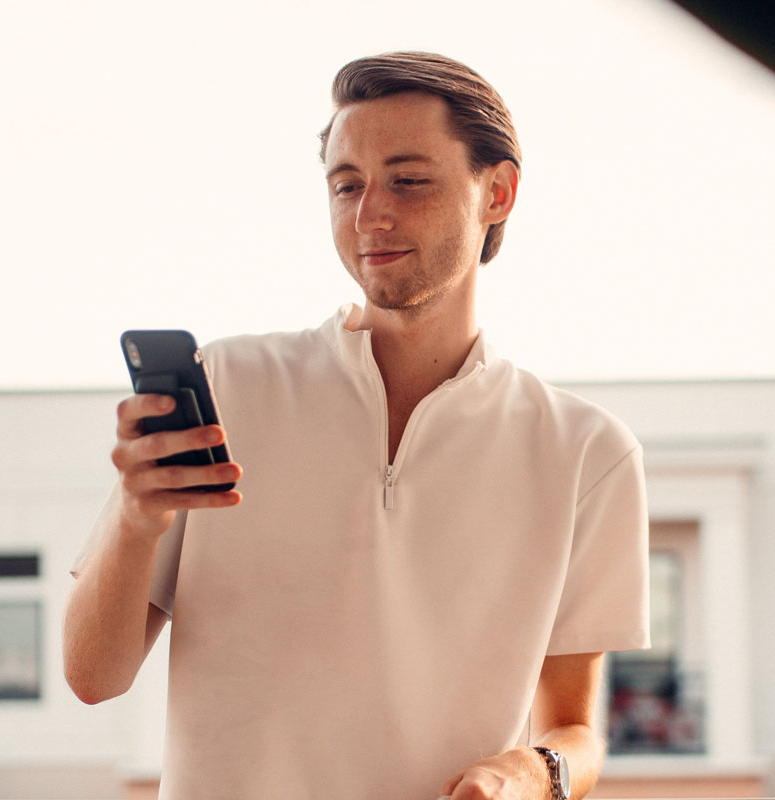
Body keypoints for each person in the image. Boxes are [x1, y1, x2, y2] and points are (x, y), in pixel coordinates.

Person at [64, 52, 650, 800]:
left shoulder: (586, 452)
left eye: (408, 180)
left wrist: (528, 772)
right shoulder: (228, 386)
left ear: (497, 192)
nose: (369, 214)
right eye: (346, 185)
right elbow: (91, 677)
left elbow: (575, 729)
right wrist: (136, 520)